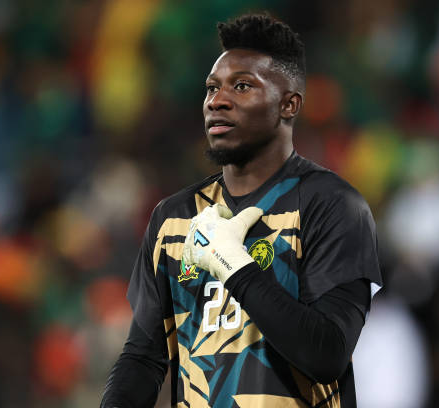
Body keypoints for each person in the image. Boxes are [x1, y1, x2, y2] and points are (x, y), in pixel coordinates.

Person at [101, 13, 382, 408]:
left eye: (242, 86)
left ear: (288, 104)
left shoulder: (332, 205)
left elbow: (327, 354)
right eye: (212, 88)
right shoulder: (174, 218)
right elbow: (144, 359)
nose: (217, 100)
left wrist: (233, 265)